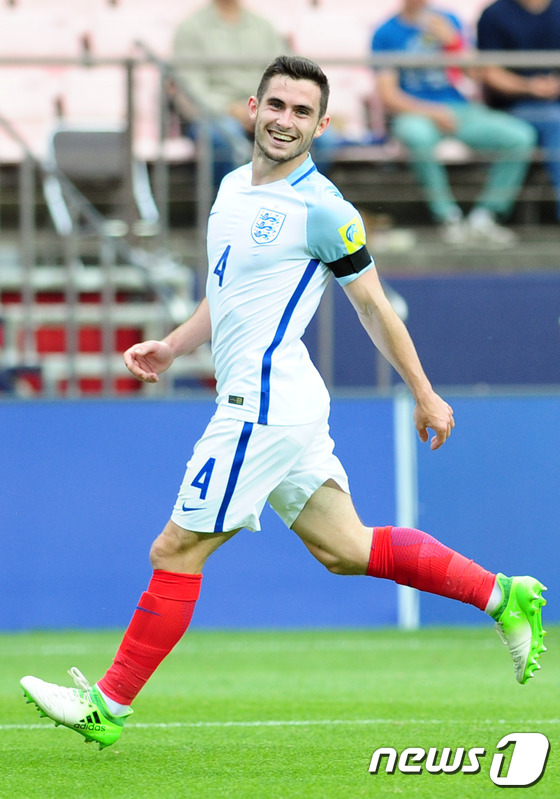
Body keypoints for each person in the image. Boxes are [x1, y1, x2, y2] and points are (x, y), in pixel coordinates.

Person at [20, 55, 547, 751]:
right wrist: (174, 345)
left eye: (302, 112)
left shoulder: (324, 210)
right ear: (253, 107)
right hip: (282, 396)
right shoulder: (232, 187)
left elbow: (373, 307)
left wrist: (424, 391)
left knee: (175, 548)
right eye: (276, 105)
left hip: (264, 405)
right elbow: (227, 291)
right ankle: (503, 595)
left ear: (322, 125)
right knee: (345, 548)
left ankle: (107, 704)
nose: (285, 120)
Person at [371, 0, 537, 247]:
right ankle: (448, 217)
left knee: (520, 137)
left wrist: (452, 42)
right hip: (414, 112)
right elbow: (388, 96)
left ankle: (485, 217)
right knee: (417, 136)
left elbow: (476, 73)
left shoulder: (449, 21)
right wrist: (432, 113)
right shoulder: (385, 32)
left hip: (458, 109)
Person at [169, 0, 336, 188]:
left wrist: (264, 109)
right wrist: (231, 109)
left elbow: (288, 76)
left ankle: (299, 199)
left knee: (324, 139)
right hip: (217, 116)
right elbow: (190, 88)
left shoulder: (263, 26)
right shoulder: (190, 28)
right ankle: (234, 203)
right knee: (228, 139)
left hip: (264, 108)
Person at [477, 0, 560, 223]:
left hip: (553, 107)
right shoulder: (495, 14)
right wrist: (530, 87)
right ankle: (488, 214)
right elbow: (490, 73)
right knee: (552, 124)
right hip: (512, 108)